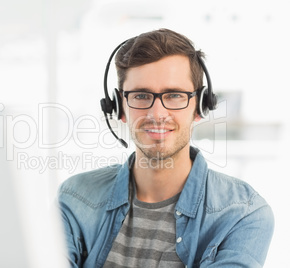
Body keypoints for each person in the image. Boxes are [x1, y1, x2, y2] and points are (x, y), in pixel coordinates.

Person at [57, 28, 274, 268]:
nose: (157, 114)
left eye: (174, 95)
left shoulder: (243, 214)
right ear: (119, 107)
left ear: (200, 106)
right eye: (141, 96)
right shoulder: (74, 198)